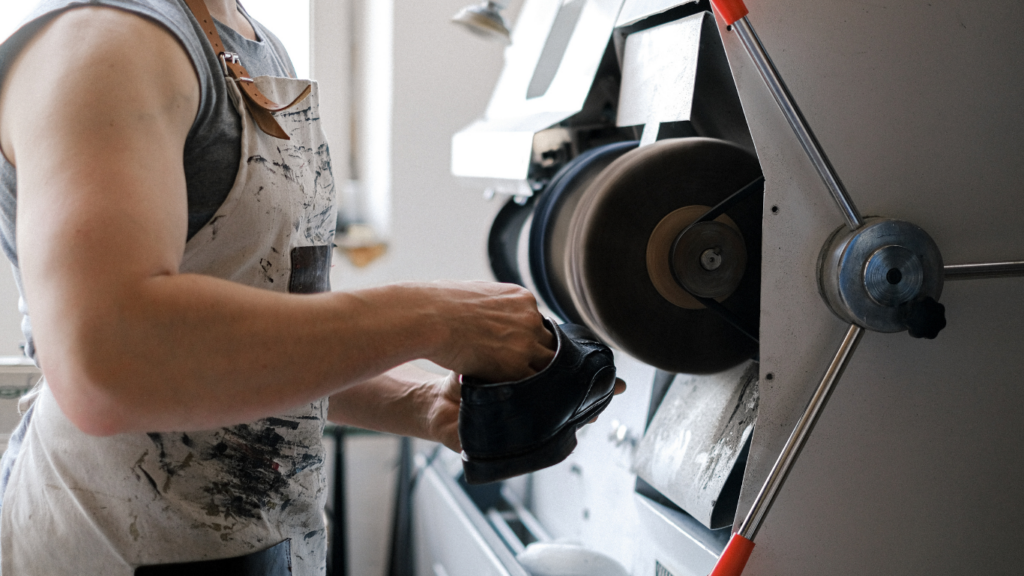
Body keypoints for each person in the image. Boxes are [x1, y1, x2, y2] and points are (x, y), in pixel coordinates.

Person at [0, 0, 622, 573]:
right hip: (106, 548)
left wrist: (419, 406)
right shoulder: (103, 39)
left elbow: (252, 338)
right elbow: (109, 357)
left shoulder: (249, 41)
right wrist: (438, 317)